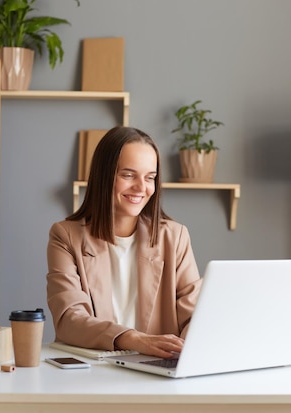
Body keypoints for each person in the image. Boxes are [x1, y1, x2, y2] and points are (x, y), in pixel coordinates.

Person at [46, 126, 202, 359]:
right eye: (128, 175)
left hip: (158, 368)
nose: (142, 188)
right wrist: (134, 339)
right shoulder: (65, 235)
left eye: (150, 177)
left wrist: (192, 344)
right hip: (92, 370)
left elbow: (195, 316)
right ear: (104, 175)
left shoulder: (175, 236)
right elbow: (69, 319)